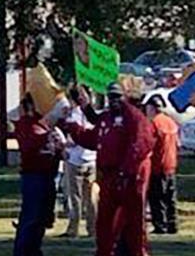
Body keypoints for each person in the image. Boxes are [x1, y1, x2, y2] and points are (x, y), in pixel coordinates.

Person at [63, 82, 155, 256]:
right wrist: (73, 128)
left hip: (129, 179)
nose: (114, 100)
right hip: (109, 178)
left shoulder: (134, 118)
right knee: (105, 221)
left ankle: (138, 252)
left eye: (117, 96)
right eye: (111, 96)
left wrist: (126, 171)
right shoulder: (107, 117)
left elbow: (141, 146)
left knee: (134, 223)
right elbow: (94, 138)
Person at [13, 94, 64, 256]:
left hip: (48, 174)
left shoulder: (46, 124)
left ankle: (34, 249)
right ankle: (22, 251)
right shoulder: (25, 124)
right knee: (31, 216)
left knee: (42, 218)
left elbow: (55, 148)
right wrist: (46, 136)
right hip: (33, 176)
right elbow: (30, 144)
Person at [61, 88, 97, 239]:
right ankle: (92, 229)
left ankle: (73, 228)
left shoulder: (72, 115)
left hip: (75, 159)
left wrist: (63, 144)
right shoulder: (95, 115)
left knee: (75, 197)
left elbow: (73, 139)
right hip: (92, 159)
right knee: (92, 199)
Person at [145, 95, 180, 235]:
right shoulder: (171, 122)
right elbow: (178, 144)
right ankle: (173, 224)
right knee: (170, 197)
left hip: (157, 166)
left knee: (156, 198)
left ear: (152, 108)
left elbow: (148, 145)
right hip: (171, 165)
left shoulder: (153, 123)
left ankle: (160, 225)